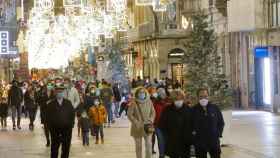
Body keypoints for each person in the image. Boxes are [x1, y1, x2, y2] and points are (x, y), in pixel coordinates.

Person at [159, 90, 192, 158]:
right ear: (172, 99)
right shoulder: (167, 109)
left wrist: (190, 136)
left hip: (185, 141)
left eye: (180, 98)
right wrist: (167, 135)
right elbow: (162, 124)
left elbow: (192, 124)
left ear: (183, 98)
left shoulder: (188, 109)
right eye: (176, 99)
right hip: (172, 141)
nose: (178, 100)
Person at [192, 88, 225, 158]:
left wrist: (218, 134)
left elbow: (221, 123)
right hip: (200, 143)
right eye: (201, 96)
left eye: (205, 96)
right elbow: (190, 125)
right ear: (197, 97)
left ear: (208, 96)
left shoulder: (215, 108)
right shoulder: (193, 110)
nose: (203, 98)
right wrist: (194, 137)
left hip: (214, 142)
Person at [46, 85, 75, 158]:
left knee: (66, 148)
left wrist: (71, 125)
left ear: (63, 93)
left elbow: (72, 114)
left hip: (67, 130)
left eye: (61, 92)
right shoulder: (51, 104)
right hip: (55, 130)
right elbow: (47, 117)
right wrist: (50, 128)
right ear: (55, 93)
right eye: (58, 92)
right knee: (54, 148)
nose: (59, 93)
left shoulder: (68, 103)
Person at [128, 87, 156, 158]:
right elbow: (129, 114)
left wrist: (150, 120)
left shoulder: (149, 101)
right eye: (140, 93)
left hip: (147, 127)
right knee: (138, 146)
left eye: (143, 92)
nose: (142, 94)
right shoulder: (133, 103)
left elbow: (153, 112)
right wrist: (136, 122)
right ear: (137, 94)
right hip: (137, 127)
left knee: (149, 146)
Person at [151, 88, 170, 157]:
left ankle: (167, 153)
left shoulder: (169, 101)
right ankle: (161, 155)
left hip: (168, 125)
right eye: (160, 93)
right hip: (158, 125)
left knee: (167, 140)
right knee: (161, 140)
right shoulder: (155, 103)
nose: (162, 94)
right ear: (158, 94)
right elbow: (152, 114)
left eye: (163, 93)